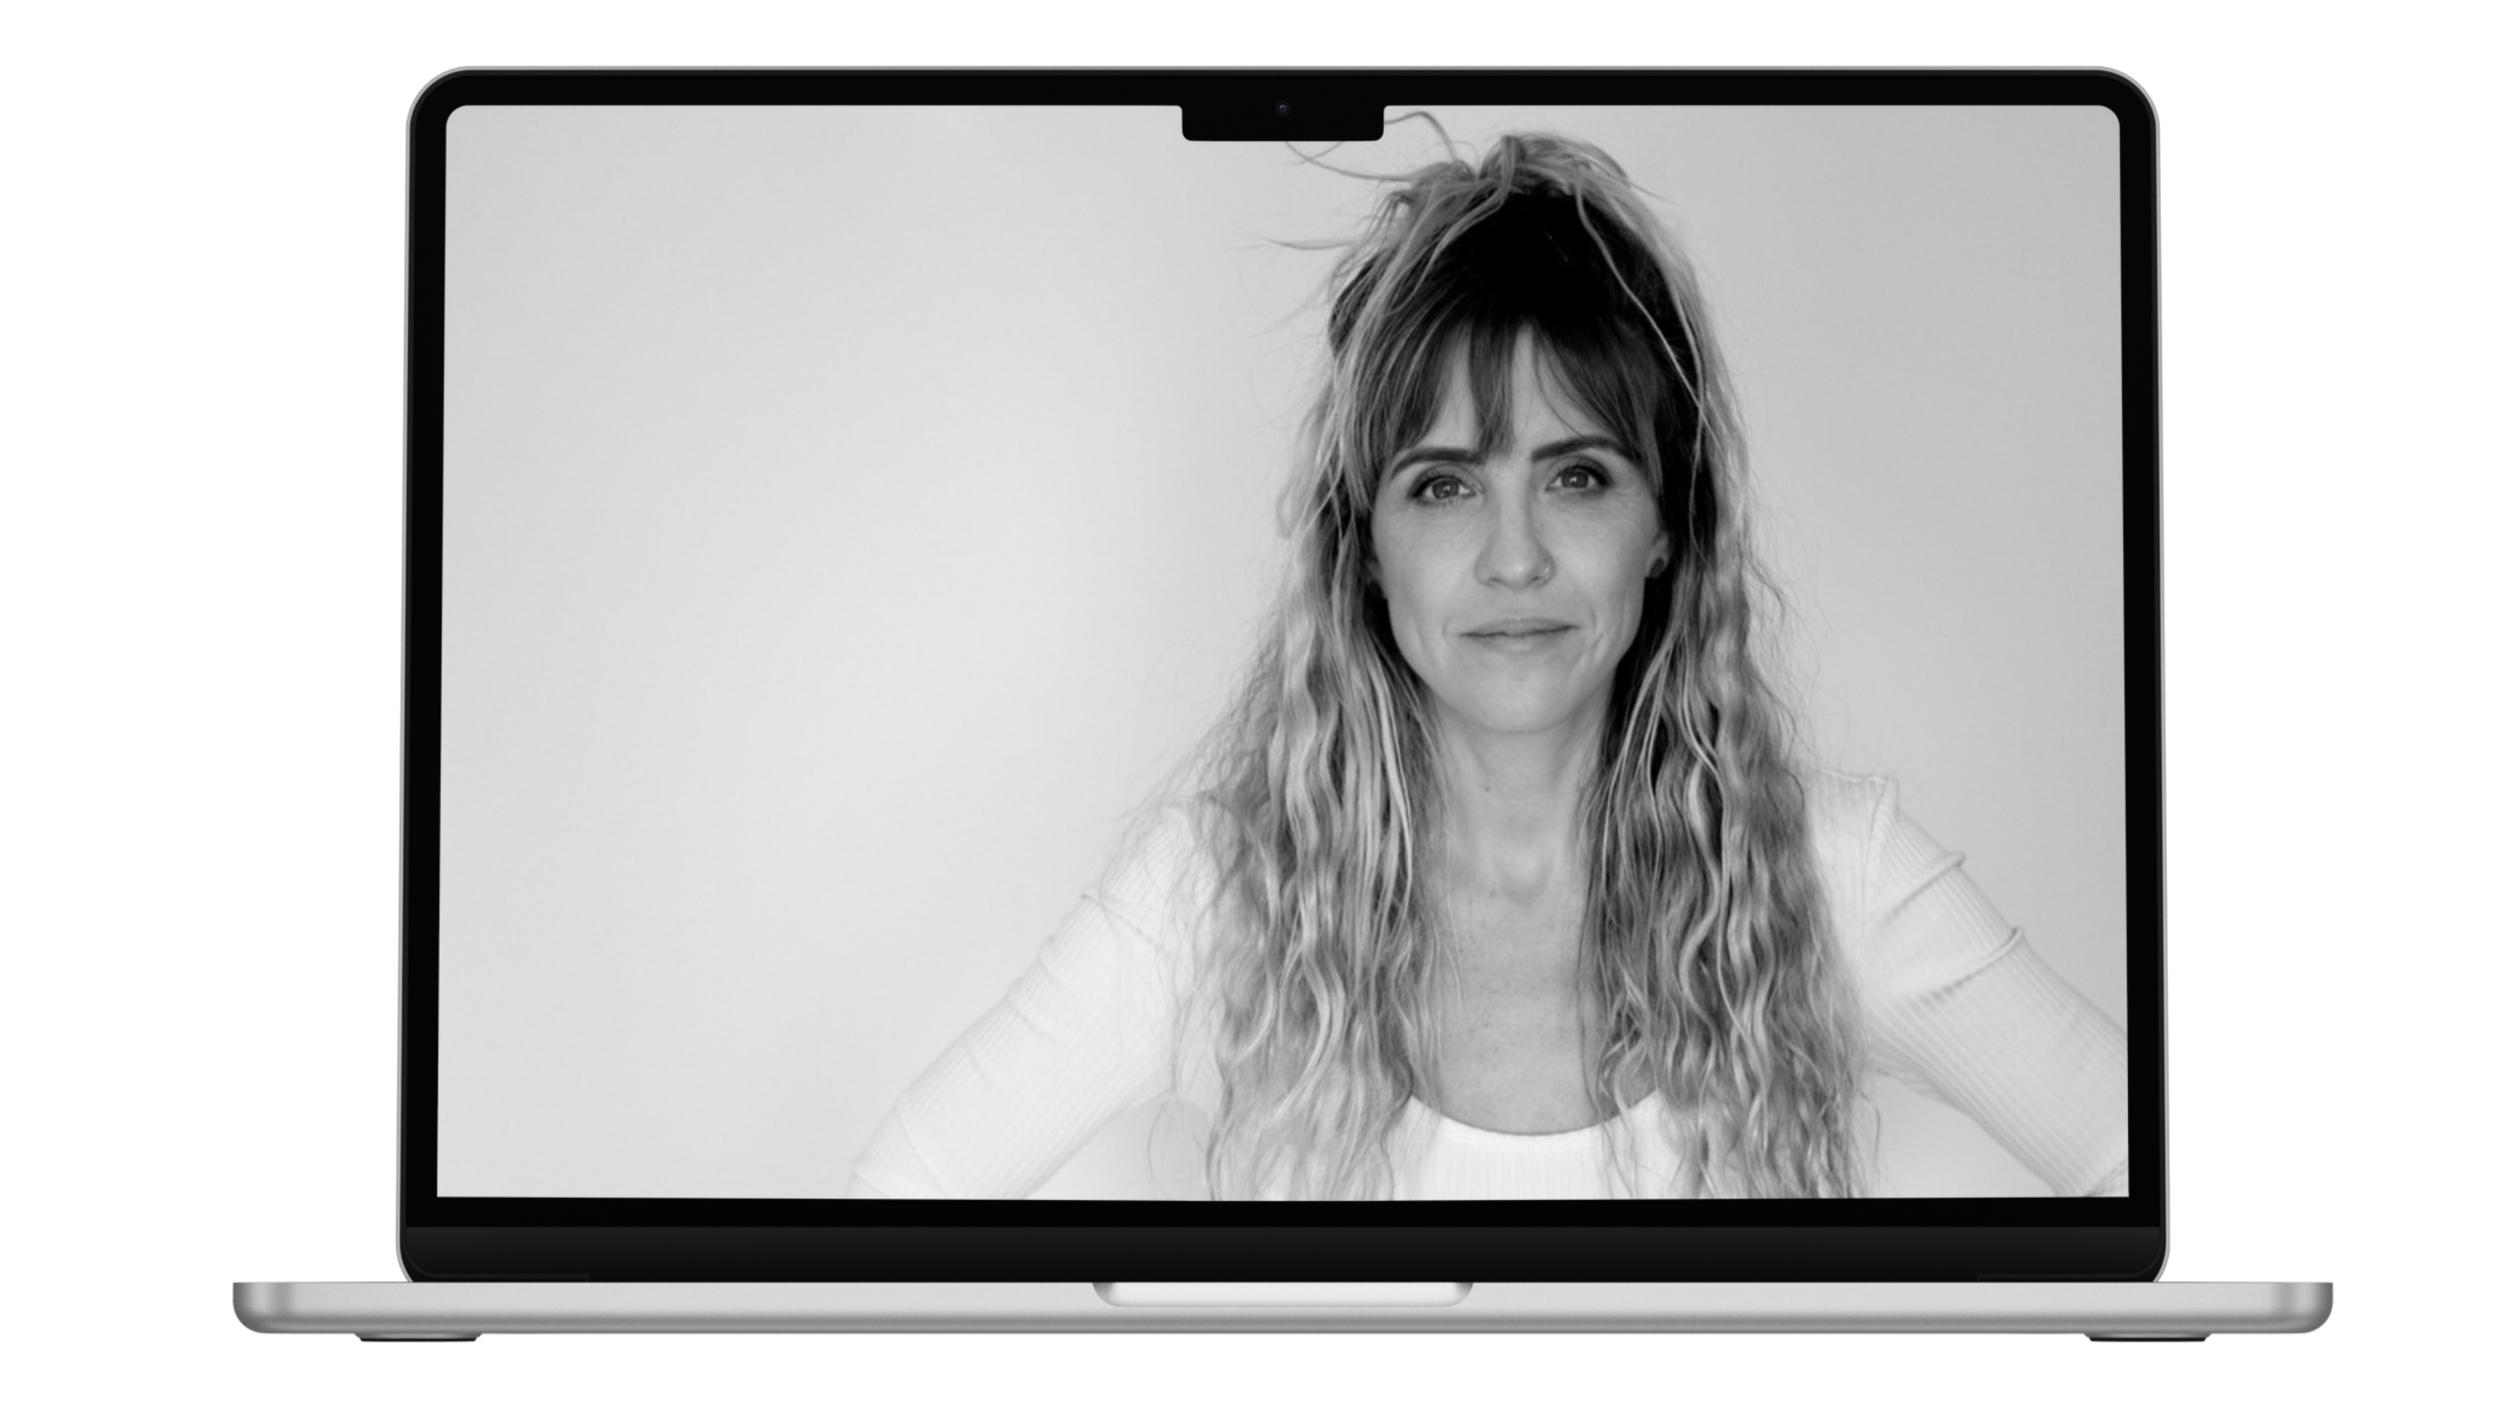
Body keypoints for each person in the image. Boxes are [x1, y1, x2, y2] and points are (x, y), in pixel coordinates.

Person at [846, 131, 2127, 1201]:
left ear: (1667, 524)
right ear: (1363, 547)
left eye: (1578, 475)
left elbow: (2176, 1202)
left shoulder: (1833, 876)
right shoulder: (1220, 897)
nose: (1515, 558)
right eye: (1444, 484)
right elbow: (883, 1221)